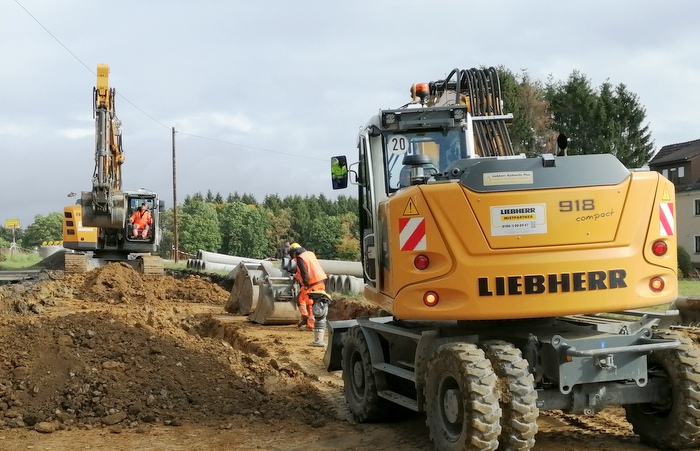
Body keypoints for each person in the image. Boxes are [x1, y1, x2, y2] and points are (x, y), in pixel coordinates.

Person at [288, 242, 330, 347]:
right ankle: (310, 322)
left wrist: (306, 285)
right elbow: (307, 269)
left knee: (302, 300)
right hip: (320, 281)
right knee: (314, 302)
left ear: (294, 252)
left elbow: (304, 272)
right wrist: (296, 277)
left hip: (311, 283)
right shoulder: (309, 254)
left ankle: (307, 319)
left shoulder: (300, 258)